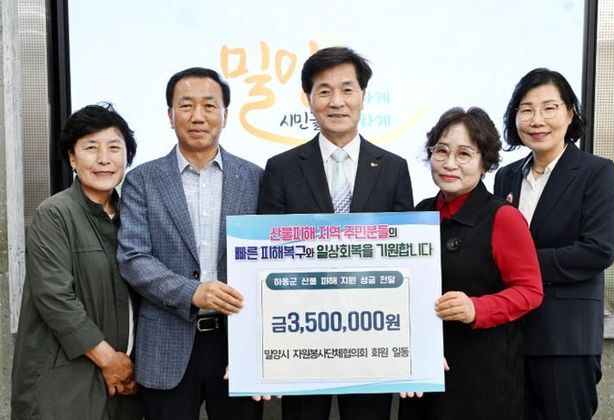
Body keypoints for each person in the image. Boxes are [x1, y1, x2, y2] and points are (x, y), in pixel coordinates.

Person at [258, 46, 414, 420]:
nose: (337, 102)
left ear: (363, 95)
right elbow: (265, 261)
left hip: (372, 341)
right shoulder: (281, 169)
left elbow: (407, 261)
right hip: (301, 339)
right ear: (308, 99)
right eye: (324, 91)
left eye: (347, 89)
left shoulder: (393, 168)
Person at [116, 67, 263, 419]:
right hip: (166, 342)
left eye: (209, 106)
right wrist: (192, 292)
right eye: (186, 105)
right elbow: (134, 258)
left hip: (237, 345)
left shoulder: (255, 178)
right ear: (170, 115)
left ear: (226, 114)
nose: (198, 116)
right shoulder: (141, 181)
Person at [399, 107, 543, 420]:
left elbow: (530, 291)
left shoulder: (502, 217)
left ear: (485, 162)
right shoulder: (419, 214)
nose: (449, 163)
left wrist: (477, 308)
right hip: (425, 373)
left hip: (484, 377)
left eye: (464, 154)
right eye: (441, 151)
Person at [494, 68, 614, 419]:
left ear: (570, 114)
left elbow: (598, 251)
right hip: (511, 336)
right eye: (526, 109)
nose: (537, 120)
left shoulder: (596, 172)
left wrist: (519, 265)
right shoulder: (506, 176)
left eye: (549, 108)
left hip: (565, 339)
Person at [11, 104, 141, 419]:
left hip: (124, 385)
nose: (104, 159)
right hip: (65, 384)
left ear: (127, 157)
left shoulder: (134, 217)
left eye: (114, 148)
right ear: (72, 158)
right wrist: (110, 360)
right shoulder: (54, 214)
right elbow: (55, 299)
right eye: (91, 148)